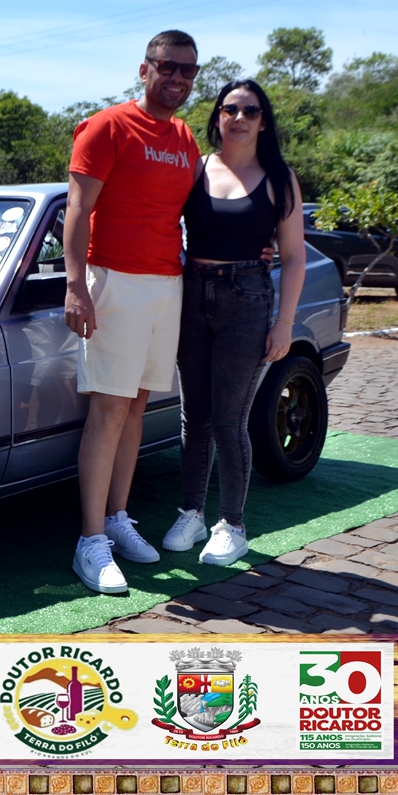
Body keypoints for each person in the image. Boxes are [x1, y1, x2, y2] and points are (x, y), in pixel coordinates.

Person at [64, 31, 203, 594]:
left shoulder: (185, 138)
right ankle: (90, 541)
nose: (178, 78)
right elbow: (77, 209)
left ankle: (118, 518)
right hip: (114, 281)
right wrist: (77, 286)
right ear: (144, 69)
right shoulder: (107, 126)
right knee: (108, 409)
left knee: (138, 404)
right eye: (168, 67)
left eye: (188, 71)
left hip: (167, 284)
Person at [161, 79, 306, 566]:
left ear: (264, 121)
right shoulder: (195, 168)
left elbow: (294, 257)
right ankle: (192, 513)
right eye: (229, 109)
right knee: (194, 418)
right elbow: (162, 222)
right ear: (217, 117)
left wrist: (284, 324)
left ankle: (232, 525)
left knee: (228, 419)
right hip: (191, 296)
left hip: (247, 300)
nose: (239, 118)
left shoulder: (279, 178)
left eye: (250, 110)